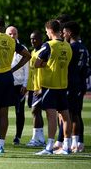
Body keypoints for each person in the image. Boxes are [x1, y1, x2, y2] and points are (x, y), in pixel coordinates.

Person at [0, 17, 30, 153]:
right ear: (4, 26)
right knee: (4, 113)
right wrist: (13, 69)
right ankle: (1, 145)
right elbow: (27, 55)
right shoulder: (11, 40)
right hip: (8, 78)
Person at [35, 20, 72, 155]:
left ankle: (49, 147)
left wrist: (46, 64)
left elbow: (37, 63)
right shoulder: (68, 46)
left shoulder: (49, 45)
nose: (46, 33)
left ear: (50, 30)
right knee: (65, 116)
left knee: (51, 116)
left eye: (46, 31)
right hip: (63, 85)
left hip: (50, 86)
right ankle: (67, 147)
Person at [62, 21, 89, 153]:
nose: (63, 34)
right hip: (80, 83)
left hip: (70, 84)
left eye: (65, 31)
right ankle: (76, 143)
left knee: (69, 114)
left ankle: (70, 144)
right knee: (76, 113)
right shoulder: (84, 47)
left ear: (70, 32)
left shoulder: (71, 48)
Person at [6, 26, 29, 145]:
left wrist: (25, 84)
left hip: (18, 84)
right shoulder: (3, 47)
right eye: (9, 34)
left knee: (19, 112)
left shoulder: (23, 49)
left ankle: (17, 137)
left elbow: (27, 69)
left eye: (14, 34)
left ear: (17, 35)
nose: (12, 36)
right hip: (5, 83)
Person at [25, 31, 46, 147]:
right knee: (36, 112)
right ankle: (41, 139)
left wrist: (42, 86)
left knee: (35, 111)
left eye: (35, 39)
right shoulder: (33, 52)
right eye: (31, 39)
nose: (32, 41)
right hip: (33, 87)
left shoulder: (43, 51)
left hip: (40, 87)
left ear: (40, 39)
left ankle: (35, 139)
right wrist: (28, 87)